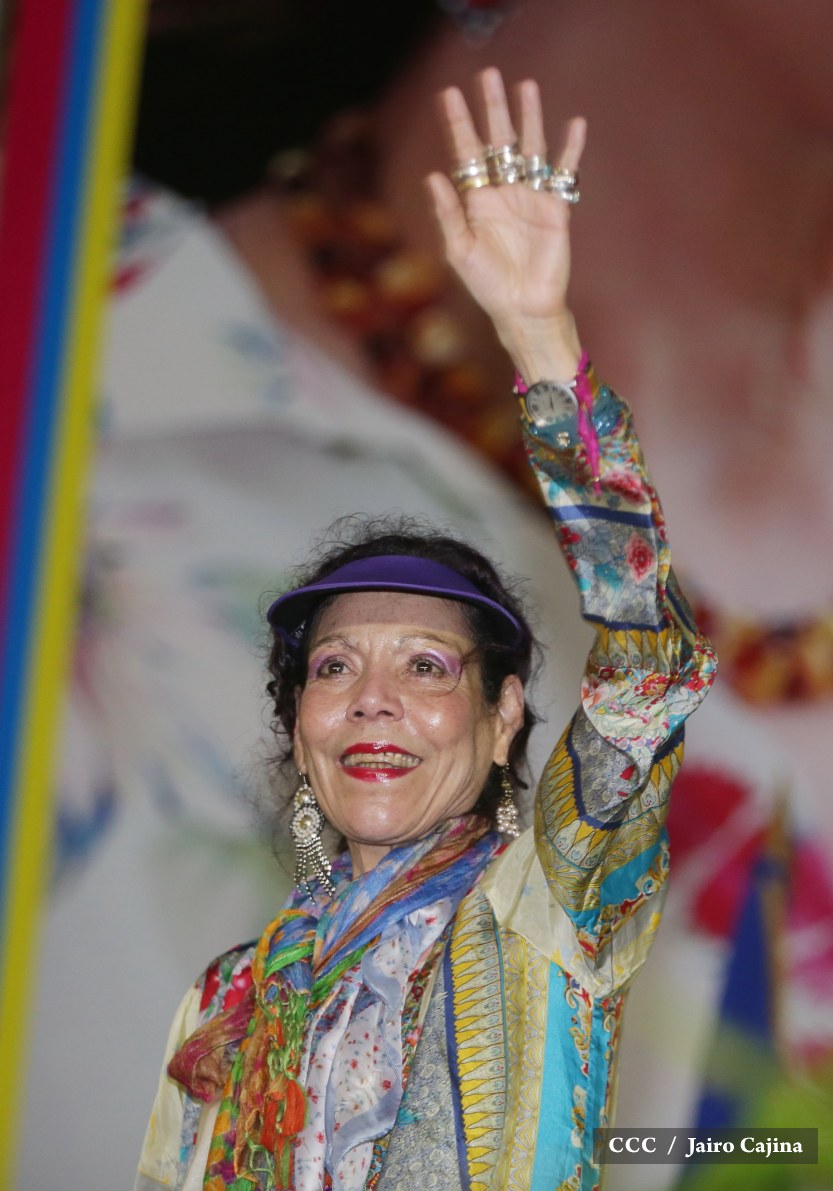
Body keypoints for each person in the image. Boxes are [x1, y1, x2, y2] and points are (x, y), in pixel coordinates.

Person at [133, 68, 715, 1191]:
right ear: (297, 724)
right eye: (334, 667)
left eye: (426, 665)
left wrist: (538, 337)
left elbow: (647, 660)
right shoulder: (226, 998)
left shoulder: (543, 906)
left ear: (501, 721)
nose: (373, 699)